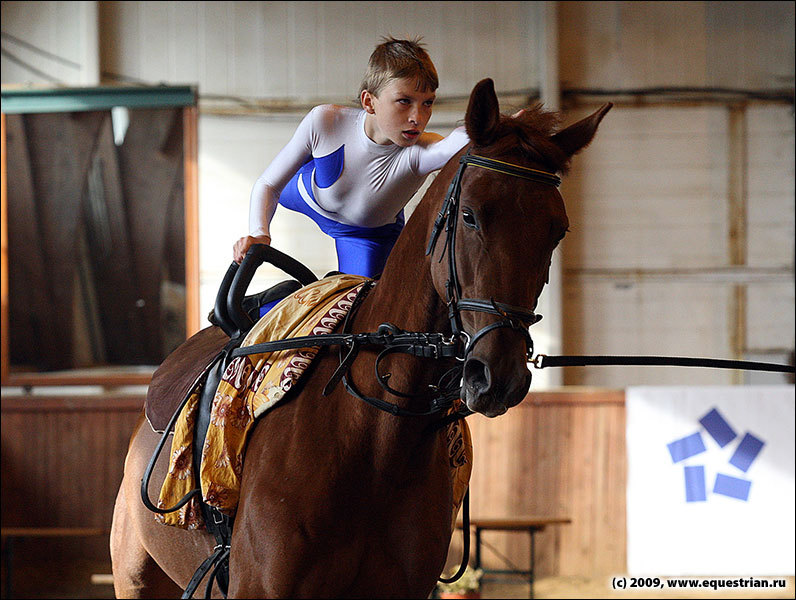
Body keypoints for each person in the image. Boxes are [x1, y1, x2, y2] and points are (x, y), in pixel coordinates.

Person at [232, 37, 470, 282]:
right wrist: (260, 234)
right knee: (289, 176)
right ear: (369, 102)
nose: (417, 118)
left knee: (359, 303)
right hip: (307, 194)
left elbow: (466, 138)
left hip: (364, 235)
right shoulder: (326, 122)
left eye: (427, 103)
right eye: (404, 101)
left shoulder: (422, 152)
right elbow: (268, 185)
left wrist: (507, 125)